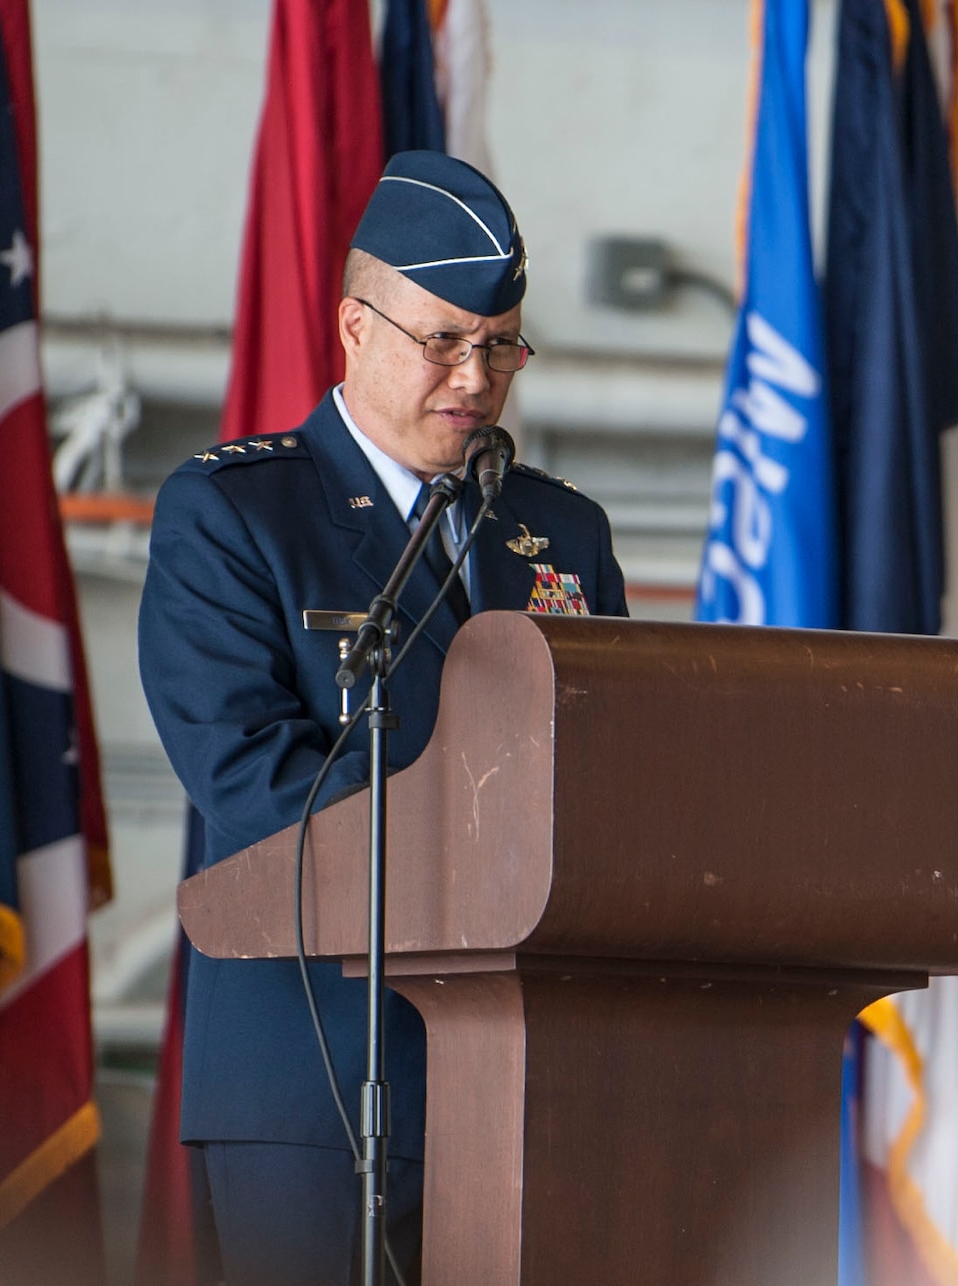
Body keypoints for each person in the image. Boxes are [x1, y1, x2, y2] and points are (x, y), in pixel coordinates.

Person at [138, 151, 628, 1285]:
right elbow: (257, 781)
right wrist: (495, 855)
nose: (474, 376)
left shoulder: (561, 531)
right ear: (354, 328)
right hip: (310, 1073)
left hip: (520, 1078)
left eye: (500, 342)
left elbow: (615, 762)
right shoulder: (235, 513)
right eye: (442, 340)